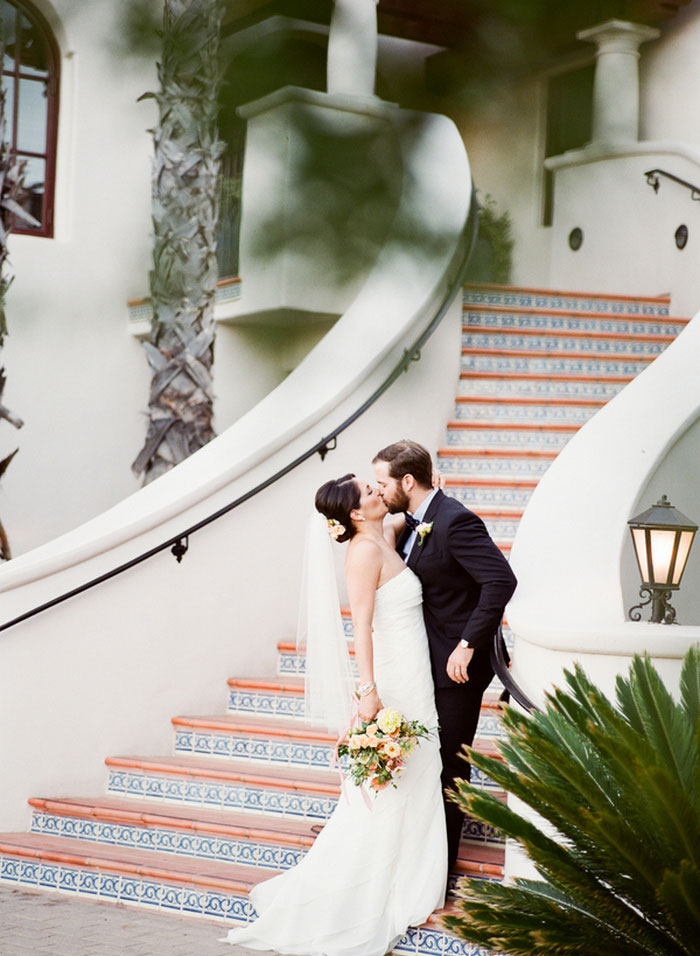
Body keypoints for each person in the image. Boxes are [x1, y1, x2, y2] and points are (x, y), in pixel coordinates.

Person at [221, 473, 447, 956]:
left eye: (375, 485)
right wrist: (366, 693)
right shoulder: (363, 554)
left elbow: (409, 512)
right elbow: (361, 628)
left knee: (422, 769)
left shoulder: (383, 535)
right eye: (369, 492)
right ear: (354, 515)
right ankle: (375, 888)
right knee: (396, 781)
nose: (377, 492)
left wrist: (427, 489)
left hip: (415, 674)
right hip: (391, 678)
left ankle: (411, 877)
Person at [372, 440, 517, 876]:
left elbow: (500, 581)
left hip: (458, 667)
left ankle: (442, 871)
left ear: (408, 481)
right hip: (426, 662)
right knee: (429, 762)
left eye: (383, 483)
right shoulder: (417, 519)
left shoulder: (454, 521)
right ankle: (418, 854)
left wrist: (469, 643)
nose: (379, 492)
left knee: (451, 766)